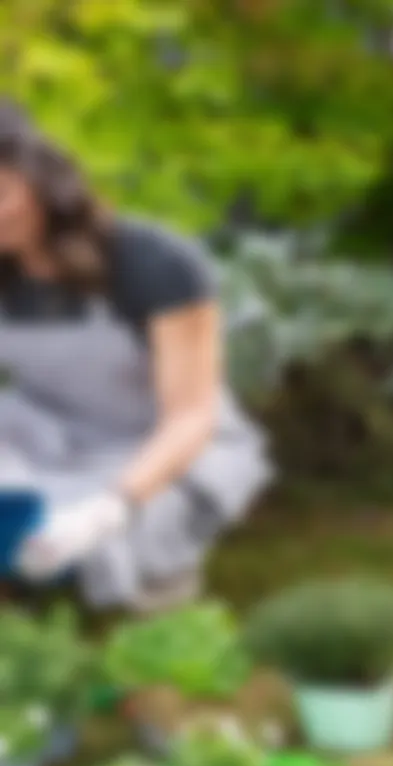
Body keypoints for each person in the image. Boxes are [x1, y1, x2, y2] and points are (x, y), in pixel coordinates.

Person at [0, 102, 272, 611]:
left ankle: (151, 569)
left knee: (118, 552)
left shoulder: (152, 261)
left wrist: (108, 508)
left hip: (166, 446)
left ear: (40, 177)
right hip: (53, 432)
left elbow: (192, 416)